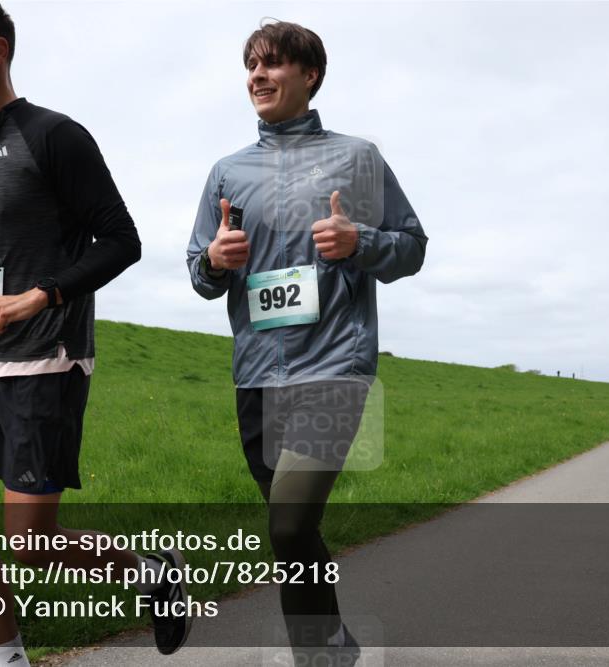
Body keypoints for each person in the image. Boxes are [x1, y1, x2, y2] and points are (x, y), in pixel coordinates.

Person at [0, 2, 189, 663]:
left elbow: (122, 241)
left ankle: (152, 573)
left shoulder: (55, 136)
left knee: (33, 541)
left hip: (43, 362)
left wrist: (39, 297)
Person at [186, 20, 428, 663]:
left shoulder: (358, 158)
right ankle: (335, 648)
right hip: (256, 372)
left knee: (288, 524)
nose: (256, 78)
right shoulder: (226, 172)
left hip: (334, 366)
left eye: (271, 66)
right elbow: (198, 274)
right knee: (296, 534)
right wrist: (215, 258)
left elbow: (412, 247)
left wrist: (361, 243)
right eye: (250, 67)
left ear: (309, 74)